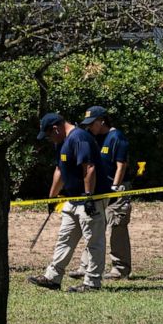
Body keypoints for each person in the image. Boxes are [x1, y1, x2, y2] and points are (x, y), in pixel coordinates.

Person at [27, 113, 112, 292]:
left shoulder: (79, 138)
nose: (50, 139)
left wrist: (89, 197)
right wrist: (52, 197)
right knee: (64, 239)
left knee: (94, 241)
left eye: (49, 135)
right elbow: (60, 170)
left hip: (90, 200)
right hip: (72, 200)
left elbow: (89, 168)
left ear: (56, 128)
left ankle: (92, 282)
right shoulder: (61, 142)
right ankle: (53, 277)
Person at [69, 106, 133, 280]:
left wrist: (115, 188)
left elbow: (121, 166)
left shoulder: (117, 137)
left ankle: (120, 268)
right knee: (93, 226)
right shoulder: (95, 138)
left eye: (92, 123)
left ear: (102, 121)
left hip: (116, 189)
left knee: (116, 227)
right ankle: (86, 265)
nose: (90, 127)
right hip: (101, 190)